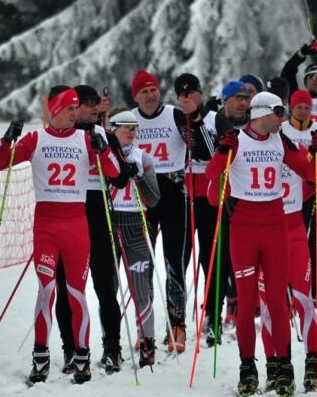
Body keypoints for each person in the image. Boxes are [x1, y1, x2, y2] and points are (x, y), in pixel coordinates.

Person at [0, 86, 120, 384]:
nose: (76, 114)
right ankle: (40, 357)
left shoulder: (85, 139)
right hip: (46, 227)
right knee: (47, 291)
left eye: (77, 109)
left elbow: (113, 172)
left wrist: (103, 148)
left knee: (76, 293)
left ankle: (82, 356)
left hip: (76, 226)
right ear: (55, 110)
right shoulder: (36, 139)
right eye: (70, 109)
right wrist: (7, 138)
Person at [205, 92, 317, 397]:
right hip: (243, 227)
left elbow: (310, 173)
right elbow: (211, 176)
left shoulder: (280, 142)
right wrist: (220, 152)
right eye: (277, 113)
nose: (282, 119)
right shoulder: (237, 141)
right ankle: (247, 368)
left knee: (278, 302)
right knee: (246, 302)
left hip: (275, 226)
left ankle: (284, 368)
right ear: (261, 114)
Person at [130, 70, 211, 353]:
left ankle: (177, 325)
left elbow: (204, 152)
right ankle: (145, 327)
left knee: (174, 262)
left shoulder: (175, 115)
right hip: (143, 197)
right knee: (143, 264)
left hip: (175, 194)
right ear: (135, 97)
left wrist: (196, 118)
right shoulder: (130, 119)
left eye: (153, 90)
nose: (150, 95)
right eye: (144, 92)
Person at [53, 84, 130, 375]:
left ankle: (112, 348)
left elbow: (121, 178)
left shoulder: (106, 135)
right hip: (68, 208)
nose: (92, 109)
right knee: (66, 286)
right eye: (85, 104)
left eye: (95, 104)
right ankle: (70, 348)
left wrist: (106, 152)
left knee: (105, 285)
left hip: (98, 209)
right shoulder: (63, 135)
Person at [172, 73, 233, 346]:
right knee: (179, 259)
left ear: (200, 92)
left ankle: (212, 316)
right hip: (184, 195)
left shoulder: (214, 118)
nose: (188, 98)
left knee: (212, 258)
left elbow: (213, 154)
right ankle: (177, 321)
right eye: (182, 94)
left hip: (211, 194)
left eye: (192, 92)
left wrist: (196, 120)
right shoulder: (175, 117)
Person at [107, 109, 161, 368]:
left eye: (135, 127)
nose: (131, 132)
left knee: (141, 290)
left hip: (135, 226)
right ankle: (111, 345)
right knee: (109, 291)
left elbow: (153, 199)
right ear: (112, 129)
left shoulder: (144, 158)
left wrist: (139, 176)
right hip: (109, 224)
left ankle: (148, 343)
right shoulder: (102, 156)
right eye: (125, 127)